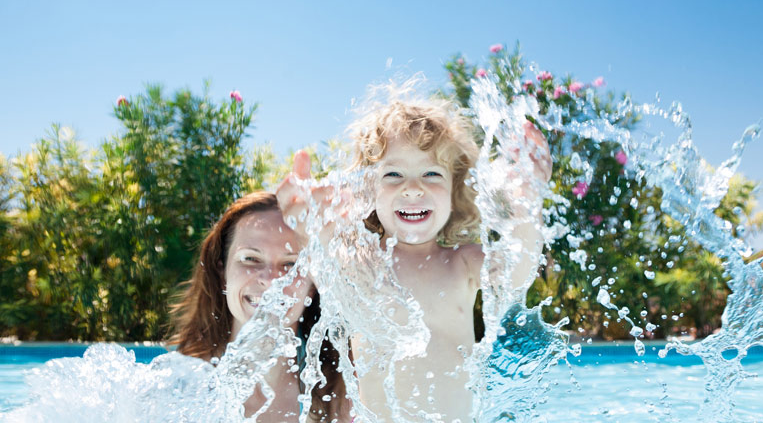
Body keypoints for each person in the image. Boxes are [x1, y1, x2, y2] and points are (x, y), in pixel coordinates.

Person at [277, 94, 551, 421]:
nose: (412, 188)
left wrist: (527, 207)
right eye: (393, 175)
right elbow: (323, 263)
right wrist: (306, 220)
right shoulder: (363, 263)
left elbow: (516, 273)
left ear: (456, 187)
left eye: (431, 174)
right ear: (367, 189)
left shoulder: (462, 263)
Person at [168, 191, 351, 422]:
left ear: (313, 284)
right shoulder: (181, 388)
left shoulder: (341, 397)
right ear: (223, 274)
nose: (271, 279)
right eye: (251, 259)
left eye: (290, 263)